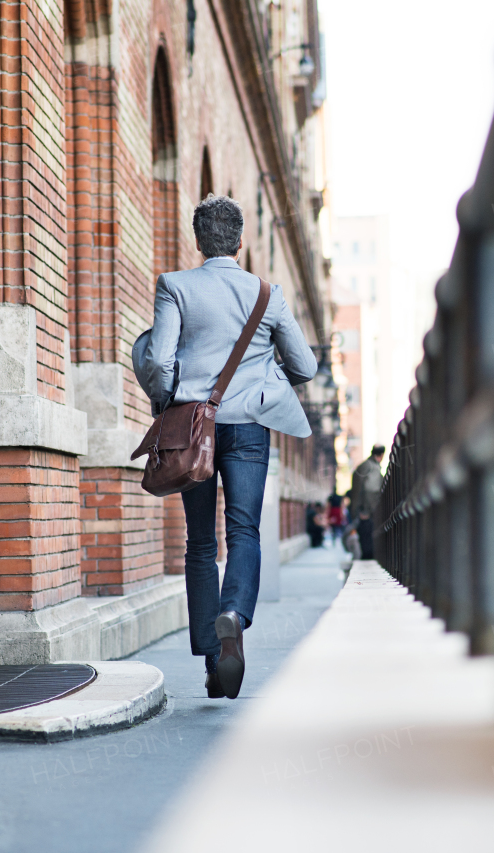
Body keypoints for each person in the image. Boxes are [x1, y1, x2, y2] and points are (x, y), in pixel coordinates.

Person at [139, 195, 317, 700]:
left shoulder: (175, 285)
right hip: (249, 425)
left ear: (199, 242)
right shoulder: (268, 294)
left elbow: (158, 359)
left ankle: (214, 665)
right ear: (241, 241)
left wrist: (168, 398)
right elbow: (304, 366)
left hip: (194, 428)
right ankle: (233, 614)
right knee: (244, 530)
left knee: (200, 541)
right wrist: (263, 380)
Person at [349, 444, 386, 560]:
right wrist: (366, 511)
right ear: (381, 455)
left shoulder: (364, 465)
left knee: (365, 542)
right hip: (367, 513)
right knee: (367, 545)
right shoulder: (372, 467)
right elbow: (371, 490)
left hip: (362, 511)